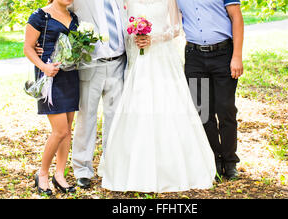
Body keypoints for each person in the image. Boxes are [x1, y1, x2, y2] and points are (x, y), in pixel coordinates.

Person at [98, 0, 216, 193]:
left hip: (162, 55)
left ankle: (174, 167)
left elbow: (176, 27)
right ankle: (134, 167)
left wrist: (156, 37)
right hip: (140, 57)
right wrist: (135, 36)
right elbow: (123, 25)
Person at [177, 0, 244, 180]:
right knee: (203, 113)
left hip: (223, 54)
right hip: (194, 57)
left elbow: (236, 17)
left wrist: (237, 56)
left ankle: (230, 162)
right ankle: (213, 160)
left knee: (226, 109)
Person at [68, 0, 127, 189]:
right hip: (91, 65)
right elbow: (58, 11)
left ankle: (110, 165)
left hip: (118, 64)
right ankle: (82, 169)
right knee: (86, 118)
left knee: (114, 118)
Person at [24, 0, 78, 195]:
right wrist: (44, 67)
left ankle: (60, 175)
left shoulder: (74, 18)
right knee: (59, 130)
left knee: (67, 130)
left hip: (70, 76)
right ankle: (43, 174)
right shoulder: (40, 16)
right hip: (49, 78)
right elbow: (28, 48)